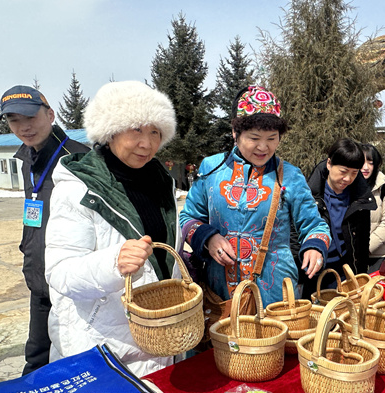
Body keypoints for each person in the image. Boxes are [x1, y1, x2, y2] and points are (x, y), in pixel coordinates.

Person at [45, 81, 178, 377]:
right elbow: (59, 273)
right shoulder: (79, 187)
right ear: (110, 131)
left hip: (158, 340)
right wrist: (112, 262)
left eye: (155, 132)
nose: (148, 143)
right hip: (102, 350)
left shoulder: (160, 182)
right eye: (137, 130)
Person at [180, 86, 330, 306]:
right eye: (254, 138)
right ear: (235, 133)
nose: (263, 147)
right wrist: (208, 237)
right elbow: (188, 218)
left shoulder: (289, 175)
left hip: (275, 290)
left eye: (272, 138)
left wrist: (315, 247)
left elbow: (315, 225)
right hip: (219, 287)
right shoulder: (211, 169)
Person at [1, 85, 89, 375]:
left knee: (77, 360)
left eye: (30, 117)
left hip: (71, 280)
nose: (23, 127)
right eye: (14, 120)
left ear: (50, 114)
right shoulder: (27, 158)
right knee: (36, 357)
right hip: (38, 276)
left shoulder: (80, 158)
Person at [303, 138, 376, 295]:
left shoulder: (360, 198)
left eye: (354, 173)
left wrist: (361, 277)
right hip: (315, 272)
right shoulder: (310, 195)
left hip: (346, 271)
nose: (348, 179)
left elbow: (362, 242)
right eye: (343, 172)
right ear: (329, 164)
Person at [360, 144, 385, 273]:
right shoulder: (346, 186)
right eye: (362, 162)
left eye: (370, 163)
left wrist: (366, 248)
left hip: (378, 255)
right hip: (351, 256)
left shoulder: (384, 187)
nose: (365, 167)